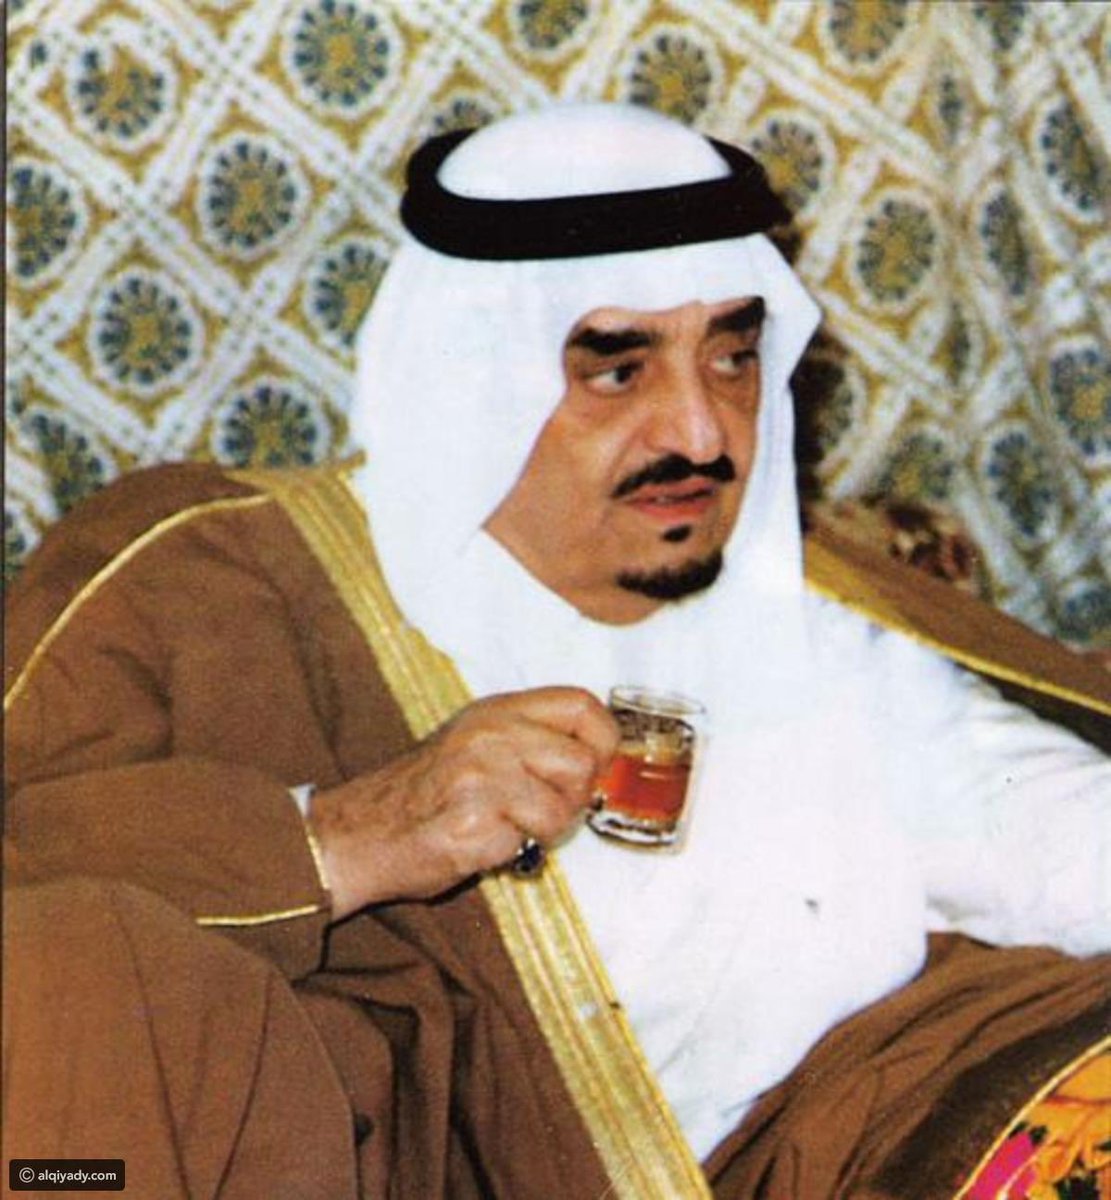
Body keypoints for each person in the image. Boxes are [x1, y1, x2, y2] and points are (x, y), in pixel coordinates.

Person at [4, 103, 1109, 1199]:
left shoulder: (801, 606)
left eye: (732, 358)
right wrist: (342, 839)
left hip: (850, 1139)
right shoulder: (212, 578)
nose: (701, 434)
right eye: (618, 373)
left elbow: (1041, 827)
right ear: (473, 376)